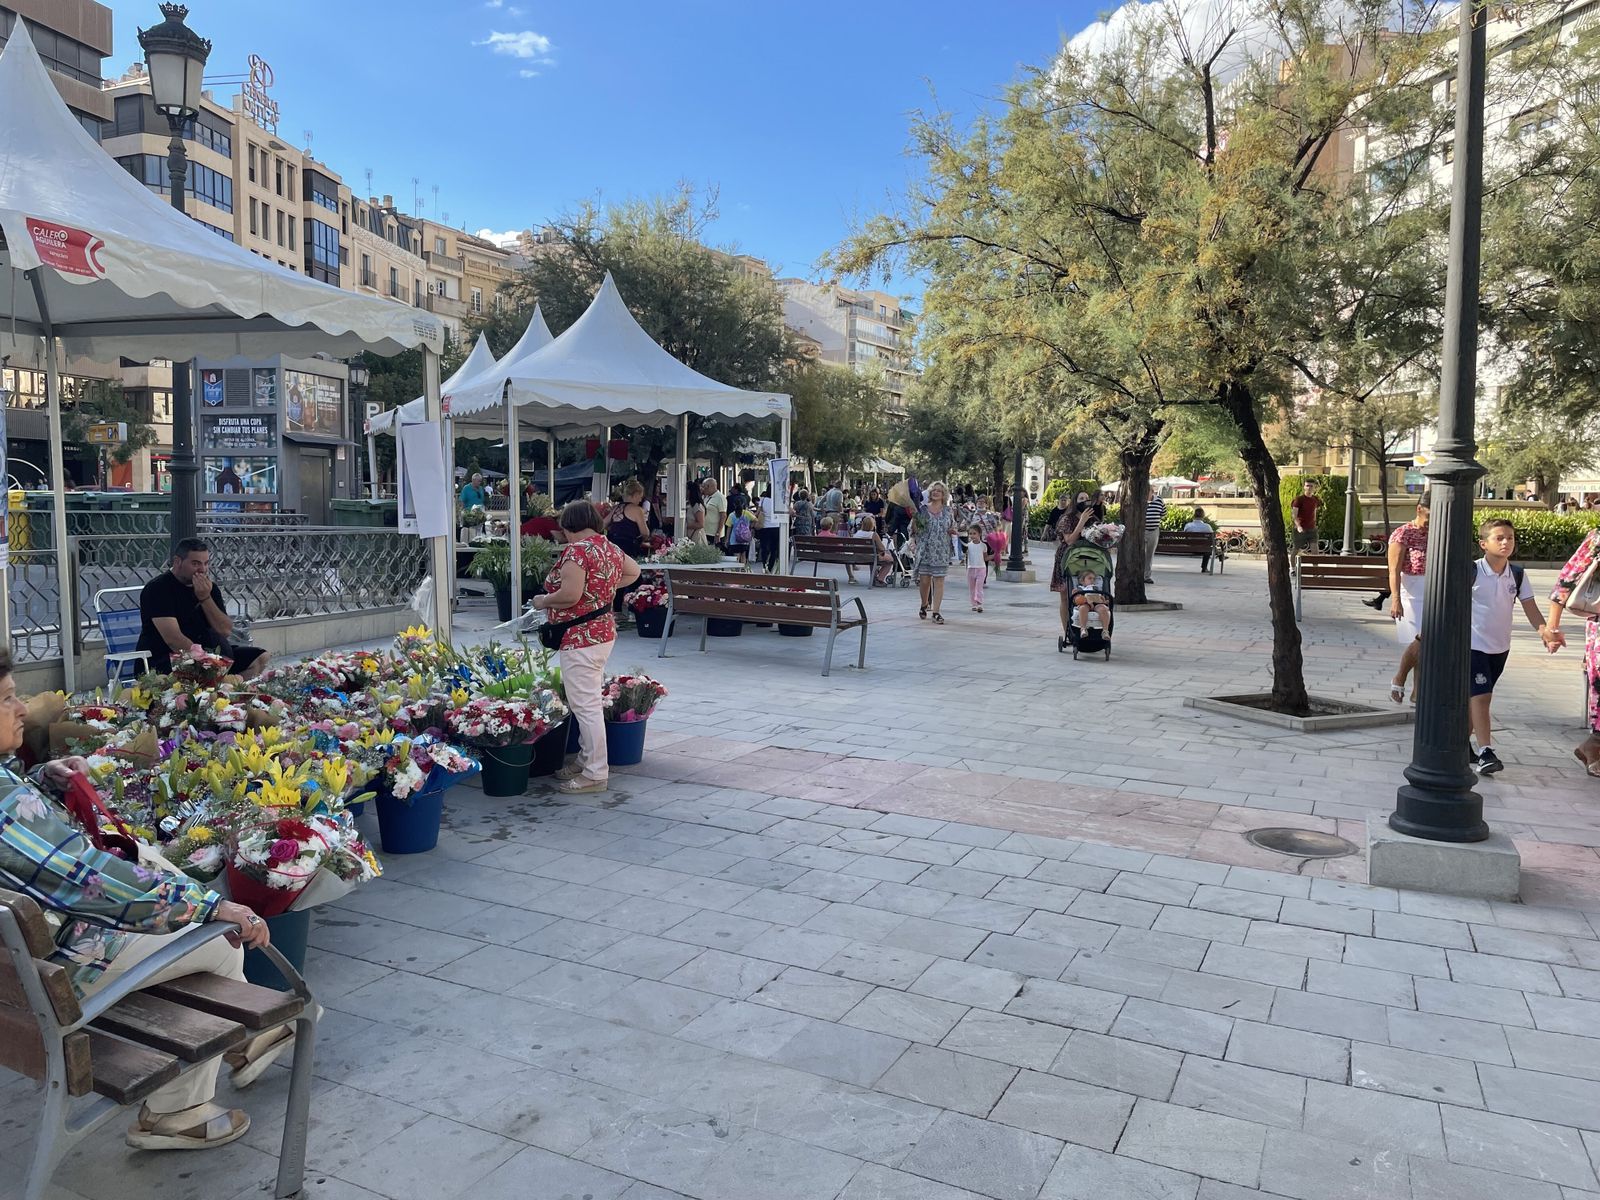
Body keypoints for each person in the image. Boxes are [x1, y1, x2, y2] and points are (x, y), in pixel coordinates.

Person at [0, 649, 293, 1150]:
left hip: (23, 969)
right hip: (61, 974)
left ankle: (243, 1044)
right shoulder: (6, 807)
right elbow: (91, 880)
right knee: (218, 939)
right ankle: (176, 1111)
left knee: (147, 860)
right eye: (7, 699)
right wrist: (213, 908)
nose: (23, 707)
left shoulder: (9, 787)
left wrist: (45, 778)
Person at [530, 501, 641, 794]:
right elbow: (634, 572)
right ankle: (585, 759)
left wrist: (543, 600)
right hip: (602, 633)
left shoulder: (577, 551)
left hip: (580, 638)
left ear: (569, 526)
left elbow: (569, 595)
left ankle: (595, 773)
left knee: (586, 707)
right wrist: (603, 589)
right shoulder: (608, 547)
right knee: (588, 701)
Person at [1467, 519, 1563, 775]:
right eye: (1499, 538)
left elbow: (1531, 609)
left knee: (1476, 698)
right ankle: (1486, 751)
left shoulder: (1517, 574)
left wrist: (1546, 633)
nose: (1506, 542)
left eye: (1510, 537)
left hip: (1500, 647)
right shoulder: (1472, 571)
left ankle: (1460, 745)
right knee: (1482, 695)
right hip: (1473, 644)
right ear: (1483, 544)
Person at [137, 538, 268, 678]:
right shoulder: (158, 589)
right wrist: (205, 660)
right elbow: (173, 638)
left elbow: (225, 630)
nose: (203, 569)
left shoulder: (209, 588)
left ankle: (226, 694)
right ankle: (216, 692)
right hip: (169, 657)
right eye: (195, 564)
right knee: (209, 670)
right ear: (177, 562)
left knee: (260, 658)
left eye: (206, 563)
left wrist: (205, 598)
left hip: (211, 653)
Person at [1545, 526, 1600, 775]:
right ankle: (1595, 745)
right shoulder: (1598, 538)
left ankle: (1594, 745)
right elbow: (1565, 582)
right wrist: (1553, 629)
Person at [1387, 497, 1431, 703]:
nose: (1432, 520)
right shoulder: (1403, 533)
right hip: (1411, 590)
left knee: (1428, 644)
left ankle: (1418, 693)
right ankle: (1400, 676)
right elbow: (1393, 570)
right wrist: (1395, 599)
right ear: (1419, 509)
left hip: (1433, 590)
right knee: (1421, 641)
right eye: (1430, 514)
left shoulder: (1438, 532)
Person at [1049, 497, 1101, 641]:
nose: (1085, 501)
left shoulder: (1094, 518)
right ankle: (1068, 632)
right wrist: (1082, 521)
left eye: (1087, 498)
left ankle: (1086, 627)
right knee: (1066, 596)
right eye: (1081, 498)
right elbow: (1070, 540)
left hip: (1087, 559)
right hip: (1068, 558)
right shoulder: (1066, 519)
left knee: (1086, 593)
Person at [914, 481, 958, 624]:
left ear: (944, 494)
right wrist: (915, 521)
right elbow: (915, 529)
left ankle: (936, 612)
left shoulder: (948, 511)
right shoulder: (922, 510)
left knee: (939, 580)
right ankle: (924, 603)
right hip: (925, 549)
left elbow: (953, 526)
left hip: (941, 550)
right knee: (925, 581)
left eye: (939, 490)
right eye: (934, 490)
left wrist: (952, 531)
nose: (936, 492)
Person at [605, 480, 650, 559]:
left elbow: (602, 524)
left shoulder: (616, 508)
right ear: (635, 495)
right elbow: (645, 533)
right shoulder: (637, 510)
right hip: (628, 549)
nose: (640, 500)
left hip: (612, 548)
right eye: (640, 497)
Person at [1070, 567, 1111, 636]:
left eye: (1094, 579)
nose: (1092, 580)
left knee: (1103, 609)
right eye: (1089, 578)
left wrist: (1104, 601)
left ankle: (1105, 631)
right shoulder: (1080, 589)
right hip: (1085, 604)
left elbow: (1100, 596)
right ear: (1082, 581)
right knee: (1083, 608)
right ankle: (1083, 629)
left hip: (1096, 603)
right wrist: (1075, 595)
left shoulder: (1096, 588)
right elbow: (1077, 600)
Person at [855, 514, 894, 586]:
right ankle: (879, 579)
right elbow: (882, 548)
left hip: (858, 556)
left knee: (874, 557)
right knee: (890, 560)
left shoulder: (857, 533)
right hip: (872, 557)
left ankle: (875, 577)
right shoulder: (873, 534)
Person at [1183, 506, 1217, 573]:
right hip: (1203, 549)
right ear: (1203, 516)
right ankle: (1204, 568)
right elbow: (1212, 538)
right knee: (1208, 550)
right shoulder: (1207, 526)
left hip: (1189, 548)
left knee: (1207, 549)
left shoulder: (1188, 525)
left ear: (1194, 515)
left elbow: (1185, 536)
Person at [965, 523, 991, 612]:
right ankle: (974, 604)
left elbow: (986, 558)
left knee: (979, 587)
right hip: (971, 569)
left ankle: (980, 603)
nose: (972, 535)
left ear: (979, 534)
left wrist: (995, 555)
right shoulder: (968, 545)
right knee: (972, 588)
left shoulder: (983, 546)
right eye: (970, 533)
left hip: (981, 569)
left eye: (974, 533)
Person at [1291, 480, 1321, 554]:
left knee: (1315, 550)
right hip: (1301, 528)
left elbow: (1314, 512)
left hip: (1312, 529)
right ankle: (1293, 565)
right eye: (1307, 485)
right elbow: (1294, 515)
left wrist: (1315, 524)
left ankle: (1315, 566)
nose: (1309, 488)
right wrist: (1298, 526)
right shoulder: (1299, 500)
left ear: (1314, 487)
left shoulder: (1315, 499)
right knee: (1296, 550)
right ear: (1304, 487)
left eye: (1311, 486)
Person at [755, 488, 780, 572]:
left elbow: (758, 513)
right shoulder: (778, 501)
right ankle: (771, 565)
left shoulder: (763, 500)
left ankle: (764, 564)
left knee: (764, 546)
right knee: (774, 548)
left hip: (765, 526)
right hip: (776, 526)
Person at [1144, 486, 1166, 584]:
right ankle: (1140, 574)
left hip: (1153, 530)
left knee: (1149, 554)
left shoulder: (1159, 501)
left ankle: (1146, 576)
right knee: (1141, 554)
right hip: (1142, 531)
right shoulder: (1140, 501)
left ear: (1152, 492)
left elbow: (1163, 513)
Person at [700, 478, 727, 548]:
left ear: (708, 486)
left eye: (704, 486)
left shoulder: (720, 497)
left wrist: (718, 533)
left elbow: (723, 516)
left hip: (713, 532)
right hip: (705, 531)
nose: (703, 489)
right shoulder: (706, 497)